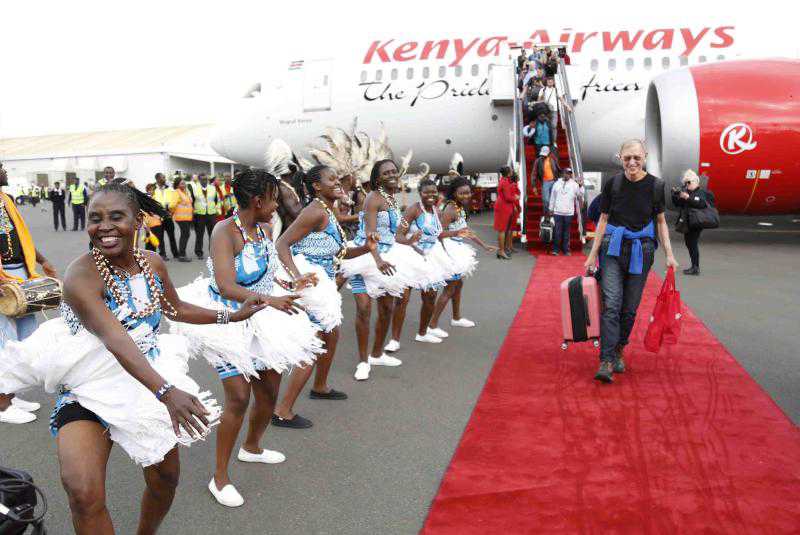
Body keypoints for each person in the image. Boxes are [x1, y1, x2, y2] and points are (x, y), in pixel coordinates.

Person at [0, 182, 267, 533]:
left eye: (116, 216)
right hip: (89, 384)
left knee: (165, 480)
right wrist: (166, 392)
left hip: (144, 382)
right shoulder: (81, 275)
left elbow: (175, 307)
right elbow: (114, 337)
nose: (104, 226)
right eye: (95, 218)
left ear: (138, 221)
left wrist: (230, 315)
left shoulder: (152, 264)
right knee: (82, 491)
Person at [173, 169, 322, 507]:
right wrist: (270, 301)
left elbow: (265, 274)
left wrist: (290, 285)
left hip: (262, 317)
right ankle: (220, 477)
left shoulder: (266, 228)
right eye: (274, 198)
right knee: (239, 396)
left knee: (269, 390)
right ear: (258, 201)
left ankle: (252, 447)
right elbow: (226, 285)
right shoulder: (224, 231)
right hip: (227, 320)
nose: (278, 205)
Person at [273, 165, 378, 428]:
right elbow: (282, 243)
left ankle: (319, 386)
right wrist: (297, 276)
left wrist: (367, 248)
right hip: (311, 280)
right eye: (331, 179)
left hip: (323, 277)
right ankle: (282, 411)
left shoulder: (328, 210)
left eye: (337, 178)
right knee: (315, 341)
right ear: (316, 186)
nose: (338, 182)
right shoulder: (315, 211)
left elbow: (339, 253)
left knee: (332, 333)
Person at [584, 139, 679, 383]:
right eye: (627, 158)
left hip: (642, 249)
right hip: (612, 248)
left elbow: (660, 222)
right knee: (612, 304)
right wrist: (593, 254)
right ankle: (605, 359)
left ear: (645, 157)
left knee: (629, 309)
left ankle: (618, 349)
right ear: (620, 158)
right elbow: (603, 220)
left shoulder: (656, 186)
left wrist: (669, 254)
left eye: (637, 157)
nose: (632, 162)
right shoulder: (613, 184)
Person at [338, 159, 431, 381]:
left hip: (389, 256)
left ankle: (377, 353)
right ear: (377, 178)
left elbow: (396, 234)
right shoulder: (373, 198)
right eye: (386, 172)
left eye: (393, 171)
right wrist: (377, 260)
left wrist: (412, 244)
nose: (391, 174)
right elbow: (370, 233)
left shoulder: (393, 198)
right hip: (364, 257)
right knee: (363, 309)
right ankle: (363, 361)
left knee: (387, 308)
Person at [0, 161, 58, 425]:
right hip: (2, 278)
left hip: (21, 273)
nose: (5, 170)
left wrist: (42, 260)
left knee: (25, 337)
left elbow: (24, 239)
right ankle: (1, 403)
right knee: (5, 341)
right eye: (1, 166)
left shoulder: (7, 199)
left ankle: (11, 393)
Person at [384, 177, 453, 352]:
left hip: (430, 257)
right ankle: (394, 340)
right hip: (409, 256)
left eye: (433, 192)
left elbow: (437, 235)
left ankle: (423, 333)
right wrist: (410, 242)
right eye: (426, 192)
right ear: (420, 193)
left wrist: (448, 250)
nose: (430, 195)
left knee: (429, 297)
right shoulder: (412, 210)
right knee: (403, 299)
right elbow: (398, 235)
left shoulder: (437, 210)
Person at [428, 177, 496, 337]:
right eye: (462, 193)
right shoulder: (450, 209)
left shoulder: (460, 208)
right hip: (449, 249)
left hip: (457, 247)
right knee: (449, 288)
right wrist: (455, 235)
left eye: (468, 192)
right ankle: (432, 325)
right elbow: (438, 234)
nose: (466, 195)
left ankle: (456, 317)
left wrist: (483, 245)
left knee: (458, 286)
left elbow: (466, 230)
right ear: (454, 193)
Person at [672, 169, 714, 276]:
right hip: (688, 221)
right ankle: (694, 266)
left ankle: (695, 267)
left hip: (696, 222)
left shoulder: (701, 192)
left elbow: (701, 204)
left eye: (689, 182)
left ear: (695, 181)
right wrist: (675, 195)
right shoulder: (687, 192)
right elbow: (678, 204)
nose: (687, 185)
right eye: (686, 183)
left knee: (692, 243)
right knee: (689, 243)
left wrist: (687, 197)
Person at [548, 168, 584, 256]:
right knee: (557, 231)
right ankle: (556, 250)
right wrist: (551, 208)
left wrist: (580, 186)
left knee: (566, 232)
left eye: (569, 173)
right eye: (565, 173)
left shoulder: (574, 185)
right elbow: (553, 197)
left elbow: (580, 194)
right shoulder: (556, 184)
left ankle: (566, 250)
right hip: (557, 212)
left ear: (571, 175)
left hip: (569, 212)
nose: (567, 175)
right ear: (562, 174)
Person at [189, 173, 219, 259]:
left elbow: (216, 200)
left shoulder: (212, 188)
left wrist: (215, 210)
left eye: (206, 179)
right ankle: (199, 252)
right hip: (199, 214)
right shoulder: (194, 189)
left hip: (211, 214)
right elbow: (192, 201)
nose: (204, 181)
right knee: (199, 235)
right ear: (199, 180)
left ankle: (213, 252)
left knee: (212, 235)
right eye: (202, 179)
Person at [494, 166, 521, 260]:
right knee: (502, 230)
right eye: (511, 171)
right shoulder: (505, 182)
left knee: (504, 229)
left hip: (505, 207)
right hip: (503, 207)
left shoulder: (504, 181)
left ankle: (502, 250)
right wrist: (516, 198)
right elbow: (508, 197)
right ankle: (501, 251)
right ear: (508, 173)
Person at [152, 173, 180, 261]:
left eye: (164, 177)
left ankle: (175, 253)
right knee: (160, 237)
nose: (164, 179)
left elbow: (173, 200)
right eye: (163, 177)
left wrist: (171, 211)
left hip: (168, 215)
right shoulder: (152, 188)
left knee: (172, 236)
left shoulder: (169, 188)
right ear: (157, 179)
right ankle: (162, 254)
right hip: (158, 216)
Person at [169, 177, 193, 262]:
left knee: (185, 234)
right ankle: (182, 255)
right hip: (181, 218)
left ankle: (182, 254)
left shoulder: (185, 192)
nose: (184, 185)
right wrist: (172, 213)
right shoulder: (176, 192)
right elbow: (171, 205)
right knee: (185, 234)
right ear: (177, 185)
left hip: (186, 218)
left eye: (184, 183)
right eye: (182, 183)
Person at [532, 145, 560, 211]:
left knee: (554, 198)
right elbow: (534, 173)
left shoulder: (553, 159)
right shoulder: (538, 161)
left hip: (554, 181)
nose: (544, 156)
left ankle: (553, 213)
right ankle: (547, 213)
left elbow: (558, 169)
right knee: (546, 199)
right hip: (545, 182)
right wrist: (534, 186)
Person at [144, 183, 165, 253]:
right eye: (150, 190)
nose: (151, 191)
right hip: (149, 224)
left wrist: (160, 217)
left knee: (158, 240)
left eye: (153, 190)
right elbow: (145, 213)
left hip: (158, 223)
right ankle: (149, 256)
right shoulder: (145, 199)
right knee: (149, 241)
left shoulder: (157, 199)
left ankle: (161, 254)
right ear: (147, 190)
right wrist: (146, 225)